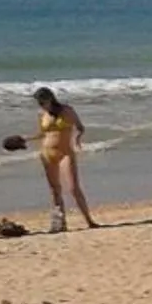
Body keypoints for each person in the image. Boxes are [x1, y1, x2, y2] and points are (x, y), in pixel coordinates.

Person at [29, 87, 98, 233]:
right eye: (39, 102)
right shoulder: (42, 114)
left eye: (43, 101)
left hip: (65, 152)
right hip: (47, 152)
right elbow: (42, 134)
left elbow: (80, 128)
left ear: (50, 99)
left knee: (73, 188)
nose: (41, 105)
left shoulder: (67, 111)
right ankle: (60, 223)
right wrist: (25, 139)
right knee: (54, 189)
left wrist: (77, 139)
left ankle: (89, 220)